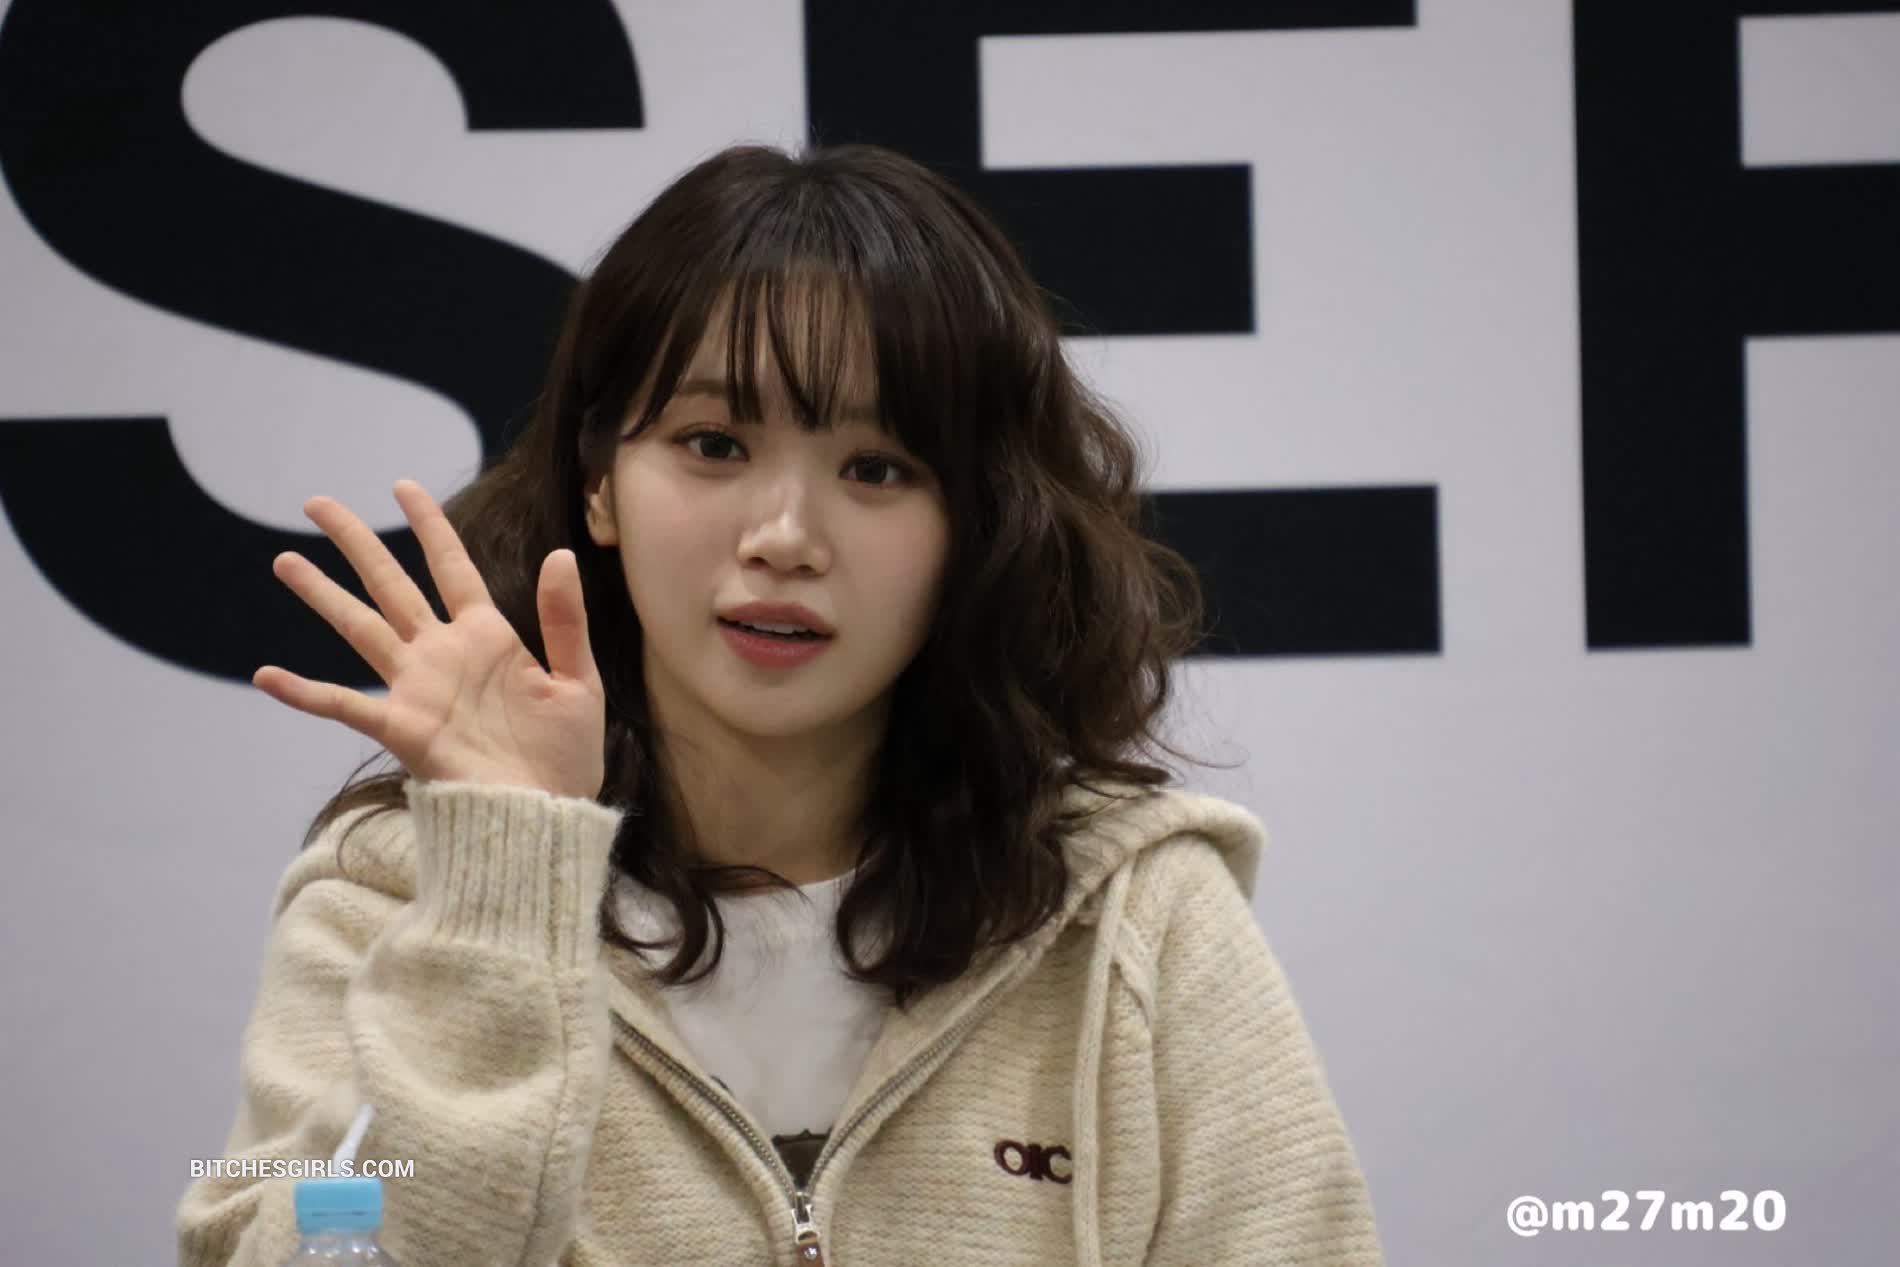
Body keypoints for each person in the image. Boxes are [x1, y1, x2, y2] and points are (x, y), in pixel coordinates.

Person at [175, 142, 1384, 1266]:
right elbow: (318, 1247)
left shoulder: (1135, 917)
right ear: (600, 484)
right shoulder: (394, 894)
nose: (785, 536)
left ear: (976, 527)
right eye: (713, 444)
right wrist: (499, 884)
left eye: (876, 468)